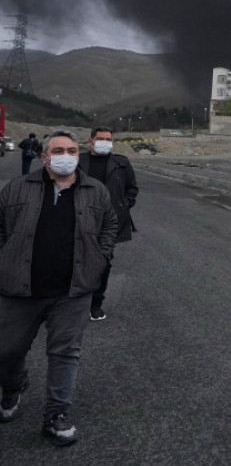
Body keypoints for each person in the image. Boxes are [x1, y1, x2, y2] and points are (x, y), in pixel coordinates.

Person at [0, 131, 118, 445]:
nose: (65, 155)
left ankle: (56, 415)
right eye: (57, 150)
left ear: (78, 155)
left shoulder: (96, 191)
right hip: (19, 289)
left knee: (65, 354)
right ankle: (13, 386)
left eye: (71, 150)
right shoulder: (15, 189)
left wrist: (100, 258)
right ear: (44, 156)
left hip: (72, 290)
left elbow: (109, 225)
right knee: (6, 351)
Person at [79, 126, 138, 321]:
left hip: (109, 222)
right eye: (101, 138)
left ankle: (96, 303)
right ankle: (73, 301)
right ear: (91, 141)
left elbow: (132, 188)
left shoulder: (121, 163)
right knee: (75, 260)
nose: (105, 142)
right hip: (80, 218)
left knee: (103, 262)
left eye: (108, 139)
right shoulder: (79, 161)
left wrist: (124, 205)